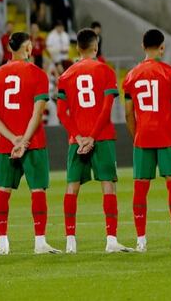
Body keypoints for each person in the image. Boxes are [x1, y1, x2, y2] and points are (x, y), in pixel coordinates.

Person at [57, 28, 132, 254]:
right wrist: (92, 136)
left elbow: (61, 113)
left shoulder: (65, 75)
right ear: (96, 47)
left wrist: (79, 136)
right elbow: (107, 108)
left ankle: (70, 242)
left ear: (77, 48)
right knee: (108, 185)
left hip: (77, 139)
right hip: (102, 137)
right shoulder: (105, 71)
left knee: (72, 187)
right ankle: (111, 240)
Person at [0, 31, 57, 255]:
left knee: (3, 191)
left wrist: (12, 138)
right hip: (33, 142)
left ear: (9, 48)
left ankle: (2, 244)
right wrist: (24, 141)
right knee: (38, 190)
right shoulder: (38, 75)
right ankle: (40, 242)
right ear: (28, 48)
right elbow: (38, 112)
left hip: (7, 143)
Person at [123, 29, 171, 253]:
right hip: (168, 136)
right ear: (162, 47)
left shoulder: (131, 76)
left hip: (143, 136)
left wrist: (136, 137)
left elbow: (128, 113)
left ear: (142, 46)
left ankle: (141, 241)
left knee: (140, 188)